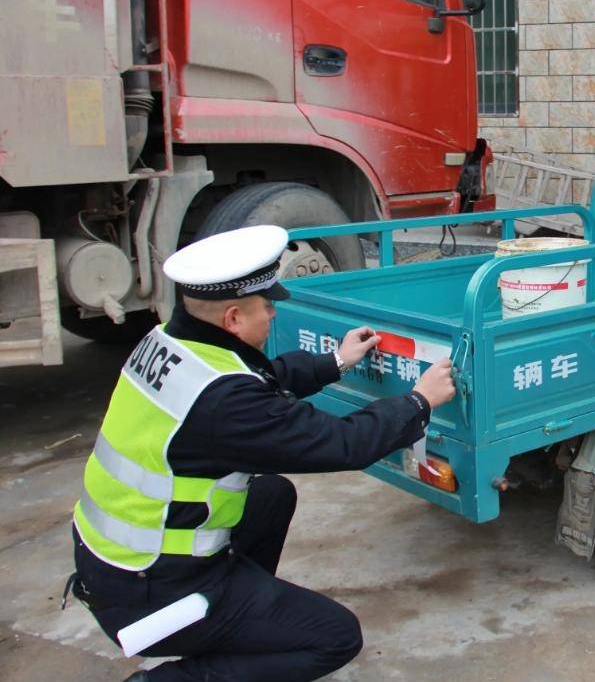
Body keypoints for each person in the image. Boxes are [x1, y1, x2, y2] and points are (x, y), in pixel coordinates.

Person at [66, 225, 456, 681]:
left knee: (271, 495)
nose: (273, 313)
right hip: (151, 590)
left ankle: (244, 622)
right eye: (266, 306)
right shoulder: (224, 402)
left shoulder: (171, 343)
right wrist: (418, 401)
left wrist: (335, 362)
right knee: (335, 637)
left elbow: (258, 381)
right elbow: (343, 444)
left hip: (113, 562)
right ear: (232, 318)